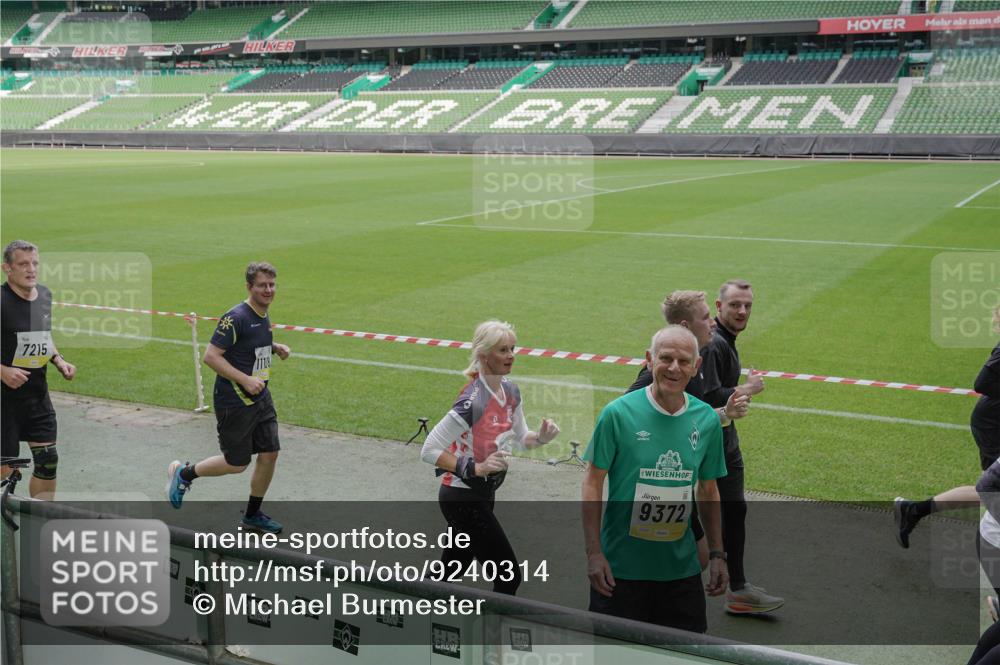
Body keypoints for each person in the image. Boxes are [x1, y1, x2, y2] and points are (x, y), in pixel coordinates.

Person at [583, 325, 728, 633]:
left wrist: (717, 554)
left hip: (681, 574)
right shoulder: (617, 414)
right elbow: (593, 482)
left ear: (696, 366)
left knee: (684, 654)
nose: (674, 368)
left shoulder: (707, 421)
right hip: (620, 572)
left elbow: (708, 489)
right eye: (666, 358)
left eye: (684, 361)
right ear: (649, 360)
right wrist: (594, 553)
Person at [420, 320, 560, 596]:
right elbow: (429, 449)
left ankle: (402, 603)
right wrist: (477, 467)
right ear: (484, 355)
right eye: (502, 350)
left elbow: (521, 438)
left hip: (483, 493)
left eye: (512, 348)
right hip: (462, 498)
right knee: (508, 577)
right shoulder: (473, 401)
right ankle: (491, 629)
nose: (511, 356)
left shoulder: (510, 391)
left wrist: (542, 437)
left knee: (450, 569)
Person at [626, 290, 751, 570]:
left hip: (678, 482)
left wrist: (725, 413)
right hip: (656, 484)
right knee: (672, 559)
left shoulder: (694, 366)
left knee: (698, 557)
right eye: (706, 318)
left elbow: (688, 418)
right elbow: (625, 413)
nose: (713, 322)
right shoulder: (661, 373)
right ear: (685, 326)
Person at [167, 262, 291, 533]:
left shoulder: (262, 313)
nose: (268, 290)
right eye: (262, 285)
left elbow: (250, 342)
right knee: (236, 464)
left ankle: (252, 516)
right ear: (249, 287)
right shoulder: (235, 317)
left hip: (260, 397)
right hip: (235, 401)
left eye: (272, 285)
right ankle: (184, 474)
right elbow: (211, 356)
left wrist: (274, 346)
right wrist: (245, 379)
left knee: (270, 453)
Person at [699, 279, 780, 615]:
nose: (742, 311)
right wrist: (747, 389)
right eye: (735, 305)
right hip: (712, 445)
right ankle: (733, 587)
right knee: (715, 514)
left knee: (734, 511)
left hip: (725, 441)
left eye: (747, 305)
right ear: (719, 307)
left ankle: (739, 587)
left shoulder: (725, 340)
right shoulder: (715, 344)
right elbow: (707, 397)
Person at [895, 306, 1000, 548]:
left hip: (991, 418)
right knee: (992, 485)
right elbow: (982, 383)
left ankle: (914, 510)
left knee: (990, 485)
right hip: (993, 423)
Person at [1, 240, 76, 500]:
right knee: (5, 470)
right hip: (4, 402)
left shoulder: (44, 295)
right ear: (7, 268)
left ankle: (40, 520)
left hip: (36, 397)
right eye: (23, 264)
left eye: (35, 263)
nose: (31, 269)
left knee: (47, 462)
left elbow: (43, 336)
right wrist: (2, 371)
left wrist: (58, 359)